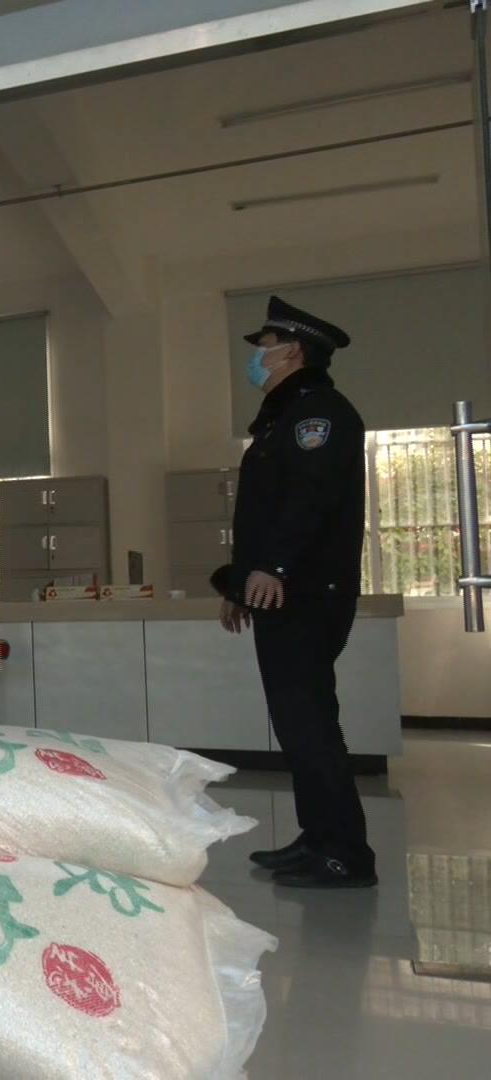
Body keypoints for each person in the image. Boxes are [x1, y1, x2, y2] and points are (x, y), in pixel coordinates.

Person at [214, 296, 373, 889]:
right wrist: (242, 583)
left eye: (264, 345)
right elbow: (263, 513)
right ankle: (319, 838)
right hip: (283, 592)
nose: (256, 356)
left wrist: (274, 568)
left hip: (306, 593)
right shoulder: (283, 418)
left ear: (293, 351)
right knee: (297, 724)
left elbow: (310, 499)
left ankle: (345, 855)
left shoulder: (319, 415)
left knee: (310, 725)